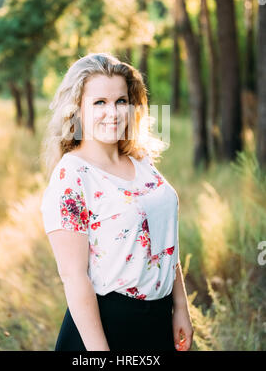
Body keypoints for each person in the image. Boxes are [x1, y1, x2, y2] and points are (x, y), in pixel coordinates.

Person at [40, 52, 193, 352]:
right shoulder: (72, 176)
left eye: (121, 101)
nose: (113, 113)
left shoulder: (141, 160)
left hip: (158, 320)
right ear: (78, 109)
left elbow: (164, 244)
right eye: (99, 103)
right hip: (106, 328)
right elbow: (74, 277)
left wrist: (180, 307)